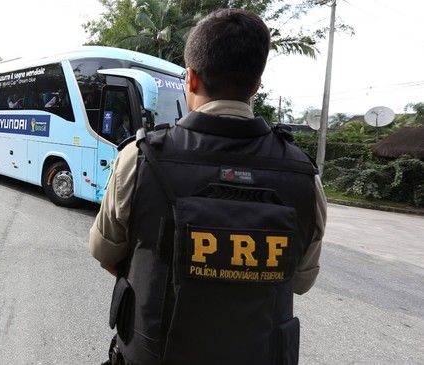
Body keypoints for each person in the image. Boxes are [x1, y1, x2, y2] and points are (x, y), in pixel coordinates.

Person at [89, 9, 327, 365]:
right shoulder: (304, 178)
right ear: (256, 85)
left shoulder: (138, 160)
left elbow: (105, 253)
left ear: (192, 79)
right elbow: (299, 282)